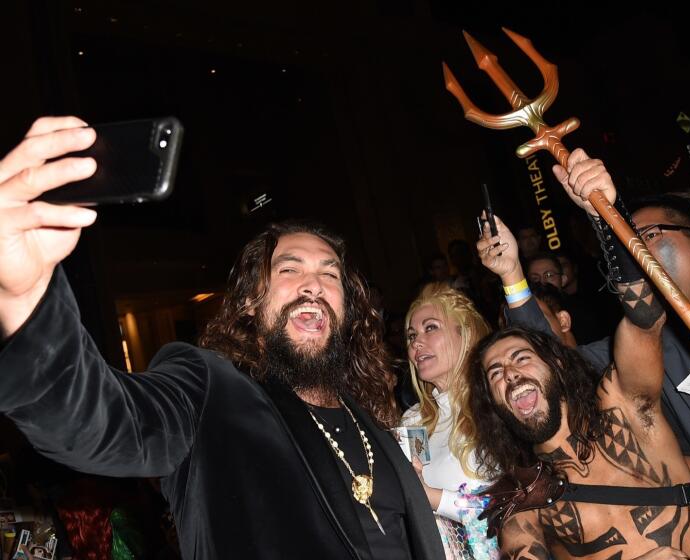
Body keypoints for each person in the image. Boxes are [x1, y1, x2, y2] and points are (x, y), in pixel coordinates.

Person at [0, 117, 443, 559]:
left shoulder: (371, 416)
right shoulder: (209, 388)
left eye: (330, 274)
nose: (314, 285)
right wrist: (28, 303)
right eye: (289, 269)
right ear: (251, 301)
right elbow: (97, 422)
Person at [469, 149, 690, 558]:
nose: (509, 373)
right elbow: (520, 546)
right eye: (494, 373)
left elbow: (644, 317)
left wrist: (607, 217)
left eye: (519, 358)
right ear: (492, 406)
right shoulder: (527, 497)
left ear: (555, 364)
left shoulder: (626, 407)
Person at [402, 283, 497, 559]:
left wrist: (434, 498)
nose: (416, 343)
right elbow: (412, 496)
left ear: (465, 333)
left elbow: (516, 502)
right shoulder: (414, 421)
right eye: (411, 336)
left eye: (430, 328)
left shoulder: (493, 403)